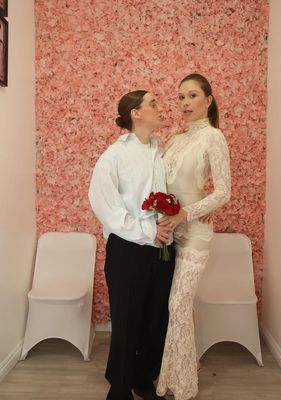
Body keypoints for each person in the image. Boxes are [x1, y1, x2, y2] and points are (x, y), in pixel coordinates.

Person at [88, 90, 175, 400]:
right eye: (153, 103)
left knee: (156, 319)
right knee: (127, 320)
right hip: (128, 250)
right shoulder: (114, 155)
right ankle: (120, 387)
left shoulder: (163, 153)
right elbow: (105, 205)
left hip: (164, 249)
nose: (160, 107)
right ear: (135, 113)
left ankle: (143, 379)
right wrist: (146, 231)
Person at [156, 73, 231, 400]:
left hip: (195, 234)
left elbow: (224, 192)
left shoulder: (214, 137)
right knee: (175, 306)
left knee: (178, 303)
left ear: (208, 100)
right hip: (168, 234)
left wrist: (187, 212)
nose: (185, 103)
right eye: (180, 97)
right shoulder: (176, 139)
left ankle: (183, 386)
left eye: (192, 96)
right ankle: (177, 369)